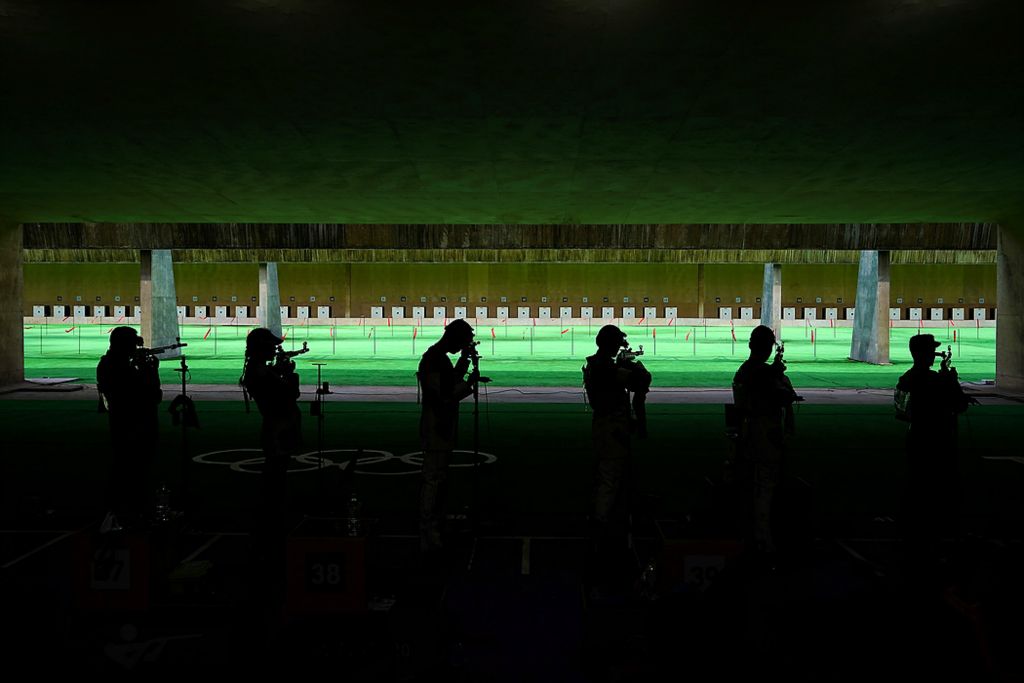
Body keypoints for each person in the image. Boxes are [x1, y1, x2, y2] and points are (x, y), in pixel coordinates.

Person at [895, 333, 974, 569]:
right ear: (923, 353)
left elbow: (901, 411)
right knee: (937, 489)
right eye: (931, 350)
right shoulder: (936, 380)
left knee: (917, 485)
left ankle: (915, 537)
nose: (934, 353)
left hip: (916, 435)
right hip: (937, 439)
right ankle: (933, 542)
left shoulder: (907, 377)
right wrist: (951, 380)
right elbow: (959, 404)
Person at [582, 324, 652, 588]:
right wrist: (635, 366)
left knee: (607, 479)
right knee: (609, 481)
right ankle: (600, 534)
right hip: (611, 430)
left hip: (607, 427)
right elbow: (641, 381)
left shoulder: (600, 364)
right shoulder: (606, 367)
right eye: (619, 343)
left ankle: (603, 530)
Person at [731, 325, 801, 559]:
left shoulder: (750, 370)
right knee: (764, 489)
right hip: (763, 434)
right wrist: (775, 374)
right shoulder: (756, 372)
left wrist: (774, 372)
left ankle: (755, 537)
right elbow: (776, 393)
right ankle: (763, 542)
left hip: (752, 433)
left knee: (756, 488)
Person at [416, 319, 480, 553]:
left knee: (438, 478)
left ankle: (433, 526)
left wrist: (463, 361)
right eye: (462, 341)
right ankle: (427, 531)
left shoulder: (438, 358)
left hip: (441, 424)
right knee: (433, 479)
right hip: (437, 425)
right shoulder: (434, 359)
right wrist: (468, 384)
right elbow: (444, 396)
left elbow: (448, 381)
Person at [96, 326, 163, 531]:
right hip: (134, 424)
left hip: (122, 423)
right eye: (132, 344)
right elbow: (152, 395)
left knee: (124, 468)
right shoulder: (120, 367)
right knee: (133, 471)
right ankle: (129, 514)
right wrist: (150, 370)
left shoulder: (108, 364)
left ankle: (121, 510)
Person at [240, 327, 302, 530]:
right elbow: (287, 394)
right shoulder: (258, 371)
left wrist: (278, 371)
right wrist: (291, 376)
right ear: (261, 348)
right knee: (276, 474)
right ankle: (271, 520)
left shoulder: (259, 369)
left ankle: (271, 515)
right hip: (277, 428)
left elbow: (268, 378)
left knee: (276, 472)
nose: (275, 350)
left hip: (278, 426)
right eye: (271, 346)